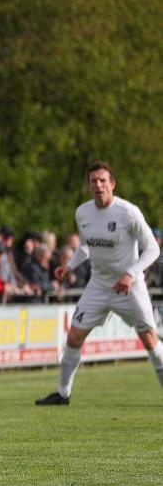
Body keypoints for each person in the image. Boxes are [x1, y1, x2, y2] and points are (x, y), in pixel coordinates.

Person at [36, 162, 163, 405]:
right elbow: (85, 246)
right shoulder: (82, 212)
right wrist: (70, 266)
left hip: (129, 288)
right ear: (89, 185)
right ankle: (63, 394)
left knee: (149, 340)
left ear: (112, 184)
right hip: (99, 285)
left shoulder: (128, 212)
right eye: (93, 180)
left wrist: (131, 273)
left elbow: (153, 248)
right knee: (74, 337)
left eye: (103, 180)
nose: (98, 185)